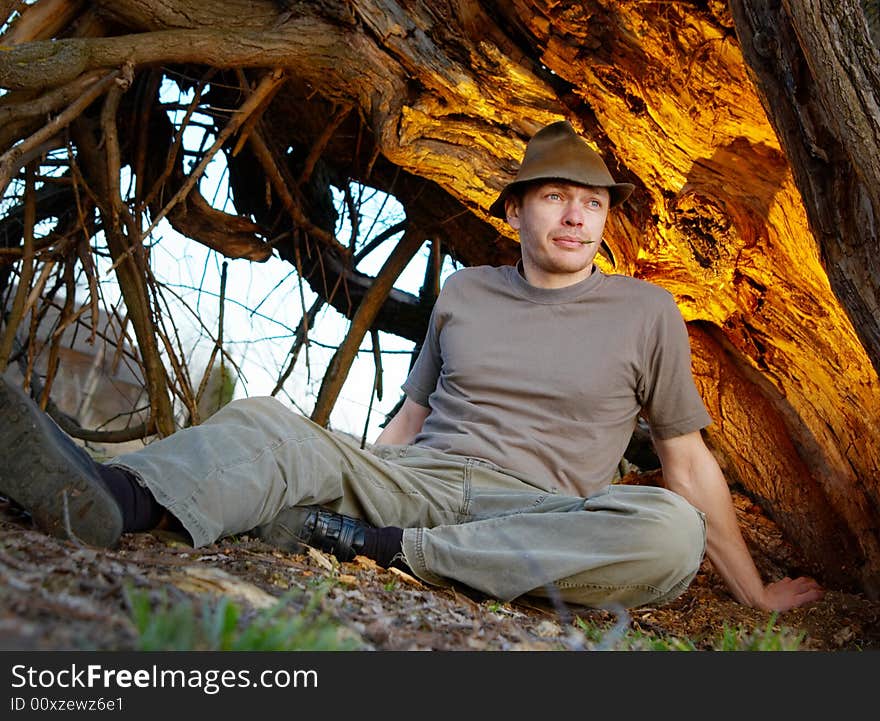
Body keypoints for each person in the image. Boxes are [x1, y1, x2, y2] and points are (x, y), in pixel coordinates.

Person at [0, 120, 823, 612]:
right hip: (424, 479)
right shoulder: (463, 291)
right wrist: (340, 469)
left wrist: (752, 592)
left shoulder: (646, 312)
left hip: (536, 509)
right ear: (514, 208)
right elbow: (411, 420)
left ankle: (391, 549)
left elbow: (686, 462)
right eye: (555, 196)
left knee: (667, 531)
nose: (577, 213)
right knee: (266, 422)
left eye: (594, 200)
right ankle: (113, 496)